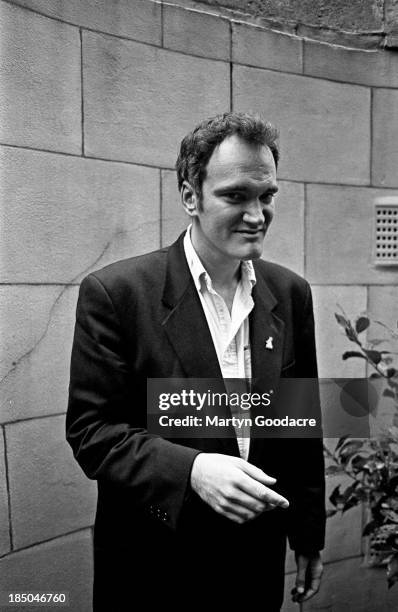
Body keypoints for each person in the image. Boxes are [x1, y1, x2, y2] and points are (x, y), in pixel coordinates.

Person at [66, 112, 325, 611]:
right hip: (154, 567)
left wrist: (308, 534)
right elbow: (91, 431)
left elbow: (298, 424)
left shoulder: (291, 293)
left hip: (255, 563)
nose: (256, 214)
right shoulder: (116, 293)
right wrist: (193, 470)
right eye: (235, 196)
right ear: (190, 196)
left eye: (266, 195)